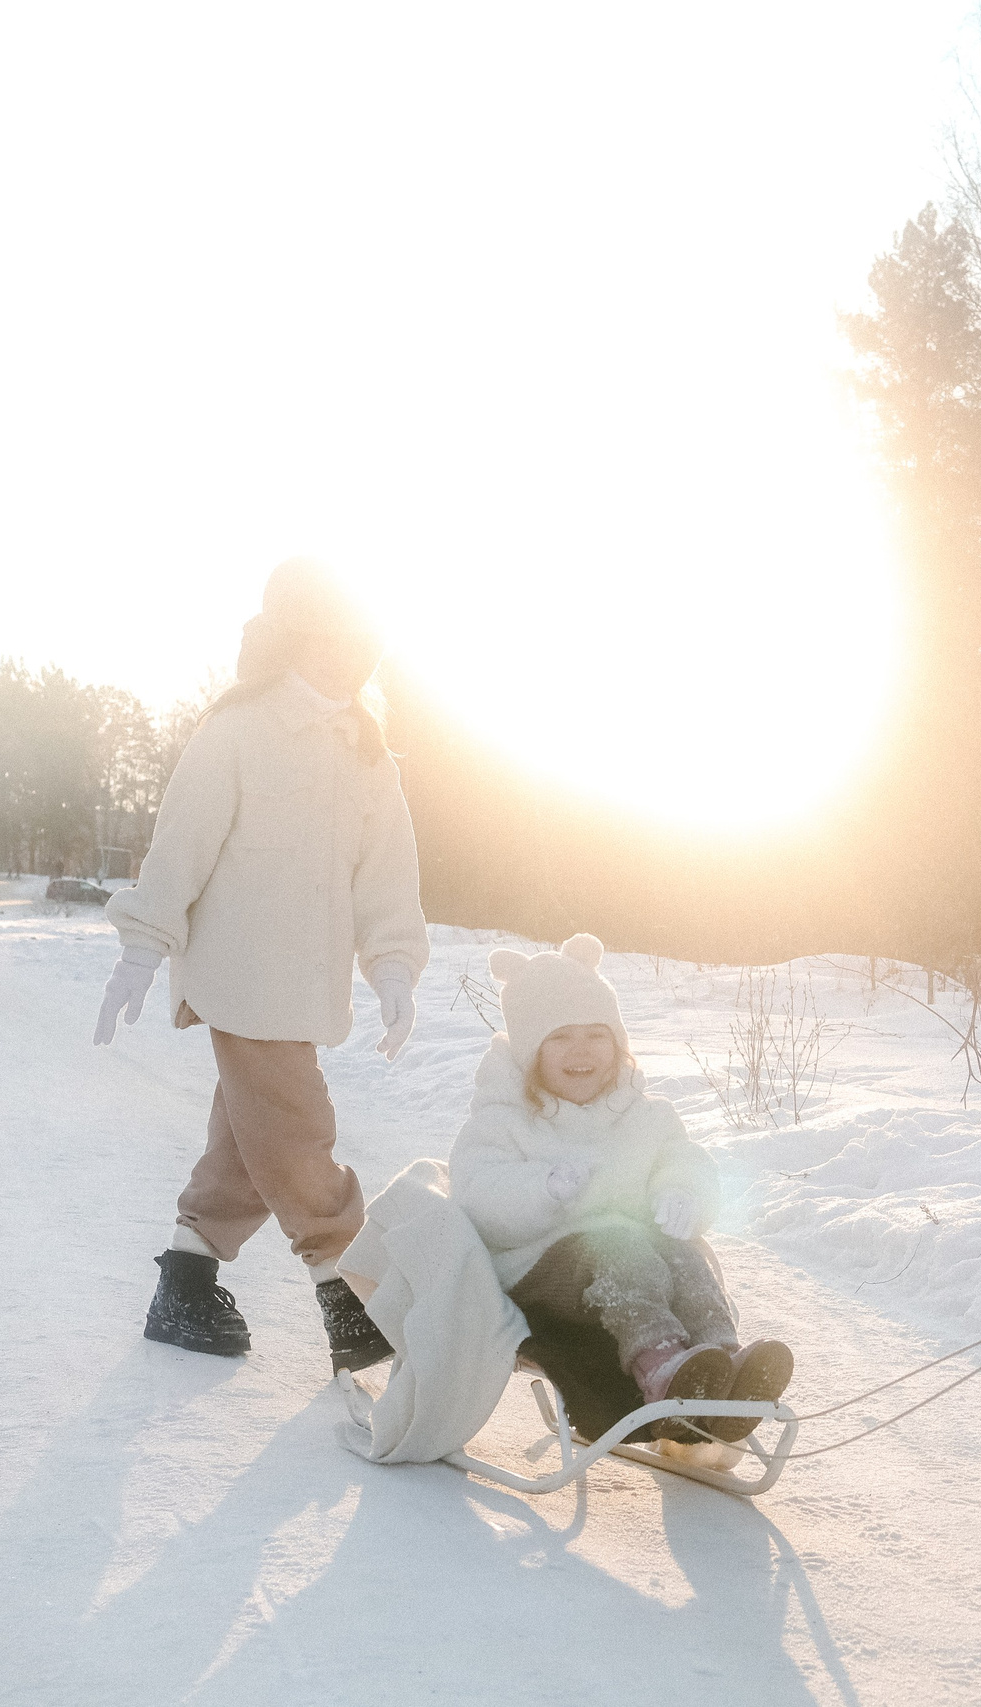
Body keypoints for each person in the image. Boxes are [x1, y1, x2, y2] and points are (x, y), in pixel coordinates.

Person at [94, 558, 429, 1377]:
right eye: (328, 640)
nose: (344, 658)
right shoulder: (238, 730)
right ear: (291, 640)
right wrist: (142, 945)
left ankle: (186, 1282)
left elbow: (387, 879)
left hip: (306, 989)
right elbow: (182, 845)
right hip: (239, 975)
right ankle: (348, 1291)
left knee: (251, 1140)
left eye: (360, 646)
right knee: (298, 1131)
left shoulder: (368, 754)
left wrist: (392, 967)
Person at [448, 934, 792, 1442]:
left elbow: (682, 1156)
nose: (581, 1050)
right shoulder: (503, 1120)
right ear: (529, 1050)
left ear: (618, 1042)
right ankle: (661, 1369)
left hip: (629, 1255)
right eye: (560, 1037)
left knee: (683, 1252)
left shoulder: (644, 1114)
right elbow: (477, 1189)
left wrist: (683, 1193)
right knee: (620, 1245)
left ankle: (721, 1359)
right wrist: (542, 1187)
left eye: (597, 1034)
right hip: (538, 1270)